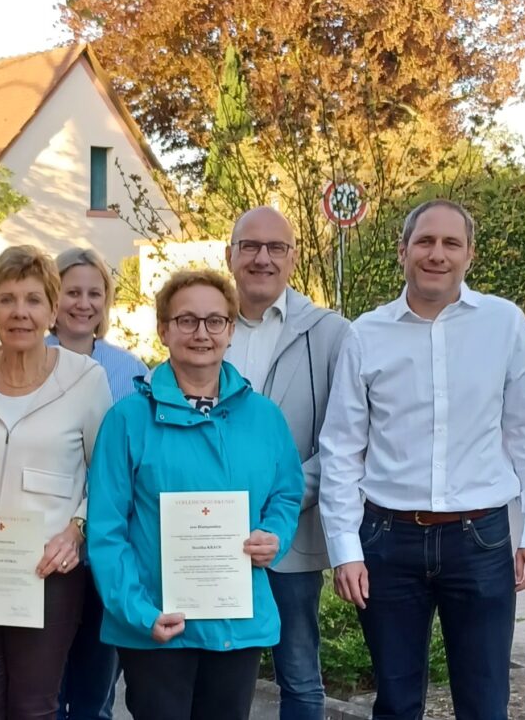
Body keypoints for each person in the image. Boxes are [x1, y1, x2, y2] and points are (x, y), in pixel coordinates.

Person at [319, 199, 525, 719]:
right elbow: (341, 448)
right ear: (403, 251)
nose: (437, 254)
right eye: (425, 241)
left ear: (470, 254)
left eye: (451, 243)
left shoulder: (503, 324)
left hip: (480, 539)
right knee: (396, 704)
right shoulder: (366, 334)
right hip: (387, 542)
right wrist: (345, 548)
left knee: (485, 704)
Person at [87, 269, 303, 720]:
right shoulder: (127, 420)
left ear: (231, 330)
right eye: (186, 320)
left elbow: (285, 494)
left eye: (215, 321)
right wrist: (138, 612)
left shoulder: (263, 417)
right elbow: (106, 529)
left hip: (236, 623)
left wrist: (274, 535)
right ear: (164, 330)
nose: (201, 333)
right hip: (156, 624)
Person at [0, 245, 113, 719]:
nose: (20, 312)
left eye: (33, 300)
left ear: (52, 311)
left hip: (47, 570)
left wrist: (77, 529)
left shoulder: (86, 379)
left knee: (34, 707)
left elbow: (106, 476)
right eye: (7, 299)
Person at [223, 206, 350, 720]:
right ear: (229, 255)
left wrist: (282, 505)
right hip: (211, 533)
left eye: (276, 247)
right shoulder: (205, 323)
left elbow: (344, 441)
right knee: (215, 669)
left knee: (298, 673)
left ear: (293, 258)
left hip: (290, 538)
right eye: (250, 246)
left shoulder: (330, 333)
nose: (263, 258)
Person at [45, 246, 147, 720]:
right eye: (72, 292)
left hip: (108, 550)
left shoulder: (131, 371)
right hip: (44, 545)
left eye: (95, 293)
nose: (83, 304)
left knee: (95, 693)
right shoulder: (26, 360)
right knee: (42, 691)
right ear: (53, 296)